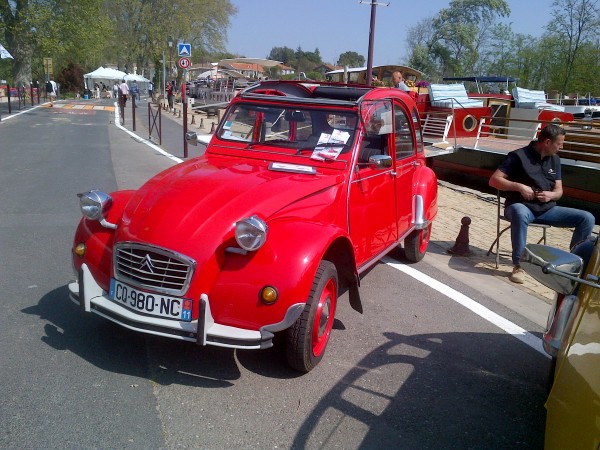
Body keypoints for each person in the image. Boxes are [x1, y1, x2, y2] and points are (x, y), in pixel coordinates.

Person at [489, 124, 595, 284]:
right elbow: (494, 180)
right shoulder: (518, 156)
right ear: (546, 142)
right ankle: (519, 265)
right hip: (520, 206)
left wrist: (551, 195)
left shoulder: (555, 160)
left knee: (587, 218)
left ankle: (576, 265)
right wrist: (519, 187)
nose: (562, 147)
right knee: (519, 212)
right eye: (559, 144)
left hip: (546, 210)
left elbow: (559, 191)